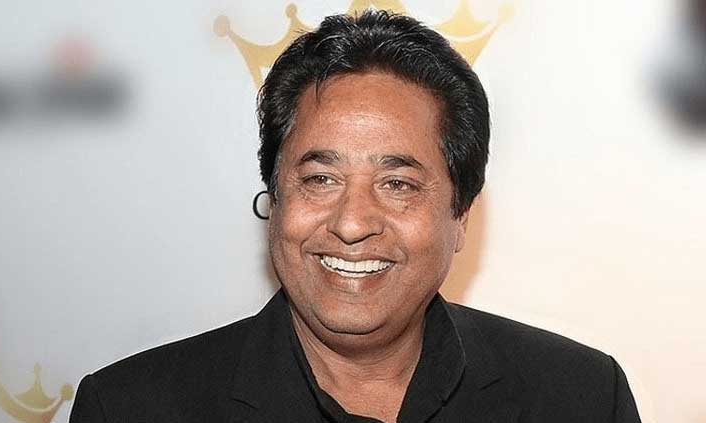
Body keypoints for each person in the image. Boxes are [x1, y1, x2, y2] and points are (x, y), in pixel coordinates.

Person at [69, 10, 641, 423]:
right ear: (275, 199)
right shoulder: (130, 408)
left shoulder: (582, 397)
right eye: (320, 179)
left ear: (460, 213)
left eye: (397, 184)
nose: (351, 223)